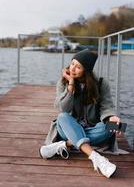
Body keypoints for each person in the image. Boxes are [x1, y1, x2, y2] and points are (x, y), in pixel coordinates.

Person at [39, 49, 122, 178]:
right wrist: (70, 85)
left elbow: (107, 106)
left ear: (86, 70)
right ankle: (97, 158)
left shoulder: (100, 83)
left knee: (115, 126)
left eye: (78, 67)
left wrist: (111, 116)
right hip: (68, 128)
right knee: (62, 117)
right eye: (72, 64)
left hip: (92, 127)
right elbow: (63, 108)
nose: (73, 69)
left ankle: (64, 145)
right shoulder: (63, 82)